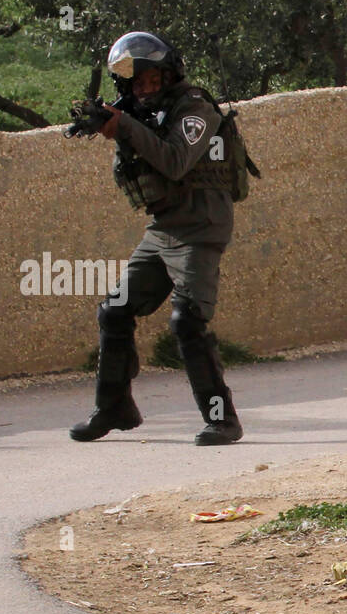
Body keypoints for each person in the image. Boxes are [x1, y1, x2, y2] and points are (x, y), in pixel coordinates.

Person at [70, 31, 243, 446]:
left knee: (188, 320)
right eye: (136, 84)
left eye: (151, 80)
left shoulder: (197, 111)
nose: (144, 89)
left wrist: (125, 126)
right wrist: (111, 126)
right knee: (114, 311)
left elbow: (176, 161)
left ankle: (223, 419)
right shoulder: (140, 116)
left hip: (201, 227)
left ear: (168, 76)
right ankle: (115, 408)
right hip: (163, 227)